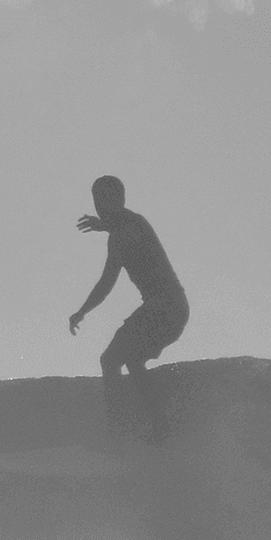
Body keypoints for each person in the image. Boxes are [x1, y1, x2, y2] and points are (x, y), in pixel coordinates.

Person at [69, 175, 189, 437]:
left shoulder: (130, 228)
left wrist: (82, 311)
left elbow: (108, 278)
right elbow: (107, 278)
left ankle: (122, 426)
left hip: (165, 308)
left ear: (120, 199)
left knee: (111, 359)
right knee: (131, 358)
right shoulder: (125, 230)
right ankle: (155, 426)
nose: (100, 206)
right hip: (168, 309)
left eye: (105, 200)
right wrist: (103, 225)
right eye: (97, 201)